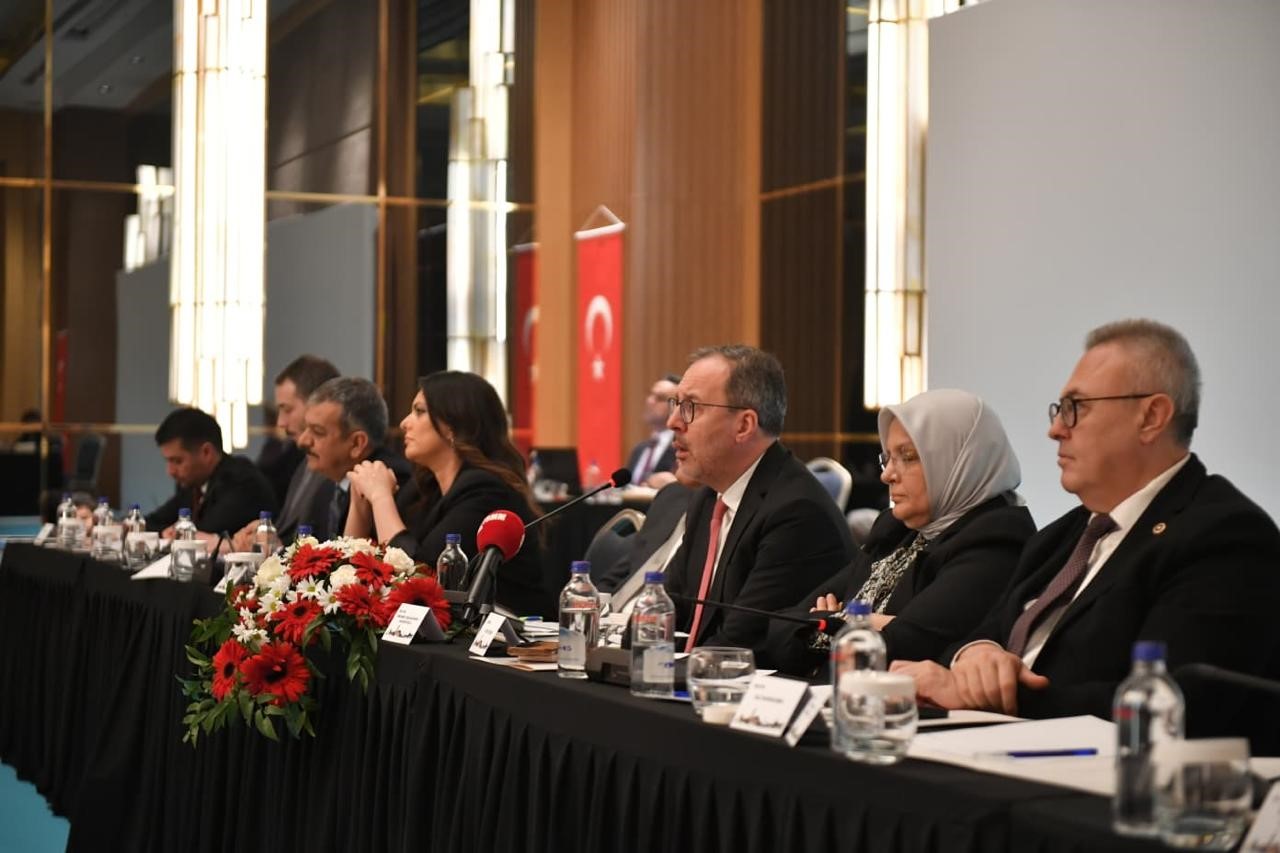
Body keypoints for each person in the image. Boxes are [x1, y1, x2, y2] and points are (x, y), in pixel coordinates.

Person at [892, 319, 1280, 740]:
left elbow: (1172, 706)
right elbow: (983, 636)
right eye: (1059, 410)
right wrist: (976, 654)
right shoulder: (1065, 535)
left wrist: (1000, 698)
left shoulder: (1224, 536)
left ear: (1151, 417)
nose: (1055, 429)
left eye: (1076, 408)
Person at [764, 389, 1035, 675]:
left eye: (907, 457)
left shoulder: (994, 541)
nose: (887, 475)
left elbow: (904, 647)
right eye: (888, 458)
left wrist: (829, 622)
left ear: (960, 461)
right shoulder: (896, 532)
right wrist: (863, 624)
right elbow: (780, 627)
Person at [661, 345, 855, 660]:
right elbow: (664, 608)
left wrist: (652, 664)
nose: (673, 421)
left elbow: (738, 646)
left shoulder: (797, 514)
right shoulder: (708, 499)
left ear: (744, 425)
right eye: (676, 404)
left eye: (690, 407)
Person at [344, 371, 551, 617]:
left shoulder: (486, 492)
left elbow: (420, 578)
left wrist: (380, 497)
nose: (404, 423)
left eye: (419, 411)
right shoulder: (425, 487)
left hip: (511, 635)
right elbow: (354, 566)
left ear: (452, 426)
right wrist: (360, 501)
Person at [233, 355, 340, 547]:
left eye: (287, 409)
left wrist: (276, 547)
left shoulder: (337, 469)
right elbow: (287, 536)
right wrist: (263, 534)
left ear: (317, 404)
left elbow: (324, 547)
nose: (280, 422)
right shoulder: (302, 463)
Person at [145, 408, 278, 543]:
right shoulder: (192, 485)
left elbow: (203, 535)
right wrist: (165, 533)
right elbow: (149, 523)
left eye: (177, 461)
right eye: (168, 461)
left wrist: (174, 533)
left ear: (206, 452)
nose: (170, 471)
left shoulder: (242, 482)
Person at [595, 478, 694, 612]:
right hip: (614, 614)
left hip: (662, 618)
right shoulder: (673, 494)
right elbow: (624, 569)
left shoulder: (716, 512)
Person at [625, 374, 680, 487]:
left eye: (659, 398)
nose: (649, 401)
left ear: (676, 406)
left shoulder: (682, 448)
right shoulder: (639, 449)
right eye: (650, 395)